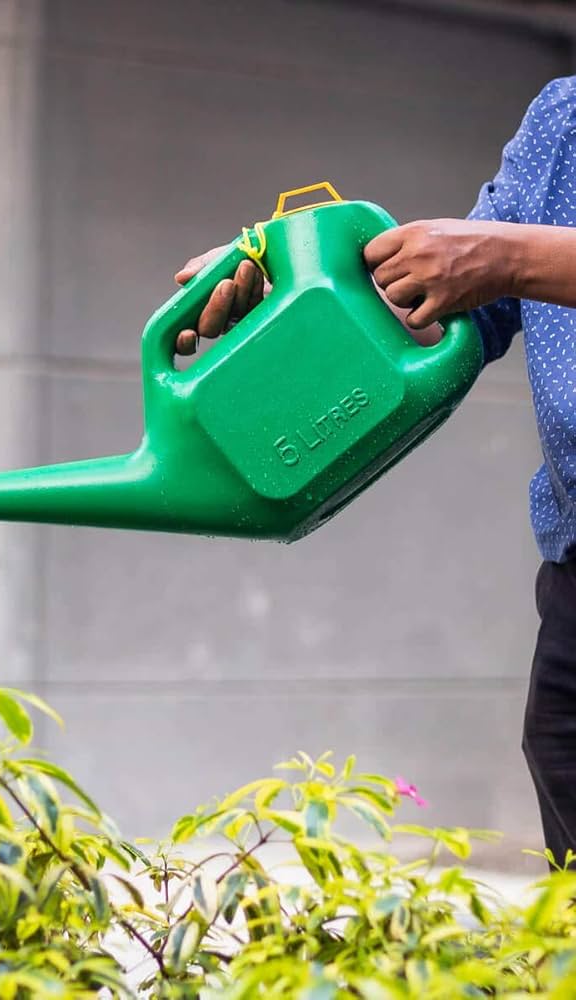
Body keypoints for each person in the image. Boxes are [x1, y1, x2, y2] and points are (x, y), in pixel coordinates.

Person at [174, 78, 576, 867]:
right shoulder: (565, 119)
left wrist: (516, 257)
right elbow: (454, 310)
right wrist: (304, 295)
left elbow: (501, 265)